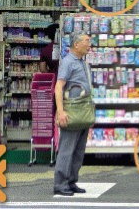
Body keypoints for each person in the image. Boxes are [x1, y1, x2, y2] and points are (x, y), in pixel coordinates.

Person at [54, 34, 93, 196]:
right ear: (76, 44)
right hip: (72, 111)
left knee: (78, 150)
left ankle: (71, 181)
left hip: (83, 110)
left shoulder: (82, 62)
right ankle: (60, 184)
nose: (89, 44)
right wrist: (61, 111)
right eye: (87, 41)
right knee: (67, 148)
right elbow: (58, 87)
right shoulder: (68, 62)